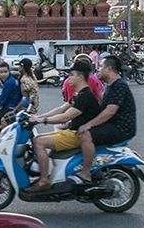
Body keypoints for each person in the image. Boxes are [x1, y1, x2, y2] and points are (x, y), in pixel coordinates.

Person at [27, 60, 100, 191]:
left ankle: (44, 180)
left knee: (39, 142)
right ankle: (45, 174)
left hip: (77, 135)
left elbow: (66, 116)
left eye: (72, 75)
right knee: (36, 139)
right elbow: (60, 109)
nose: (69, 78)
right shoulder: (79, 94)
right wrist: (38, 117)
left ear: (81, 77)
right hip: (71, 131)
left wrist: (42, 121)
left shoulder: (85, 96)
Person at [72, 56, 136, 183]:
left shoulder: (119, 86)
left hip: (121, 128)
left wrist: (88, 125)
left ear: (109, 69)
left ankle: (86, 172)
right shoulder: (111, 86)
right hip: (113, 125)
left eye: (101, 67)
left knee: (86, 135)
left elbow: (109, 111)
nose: (98, 70)